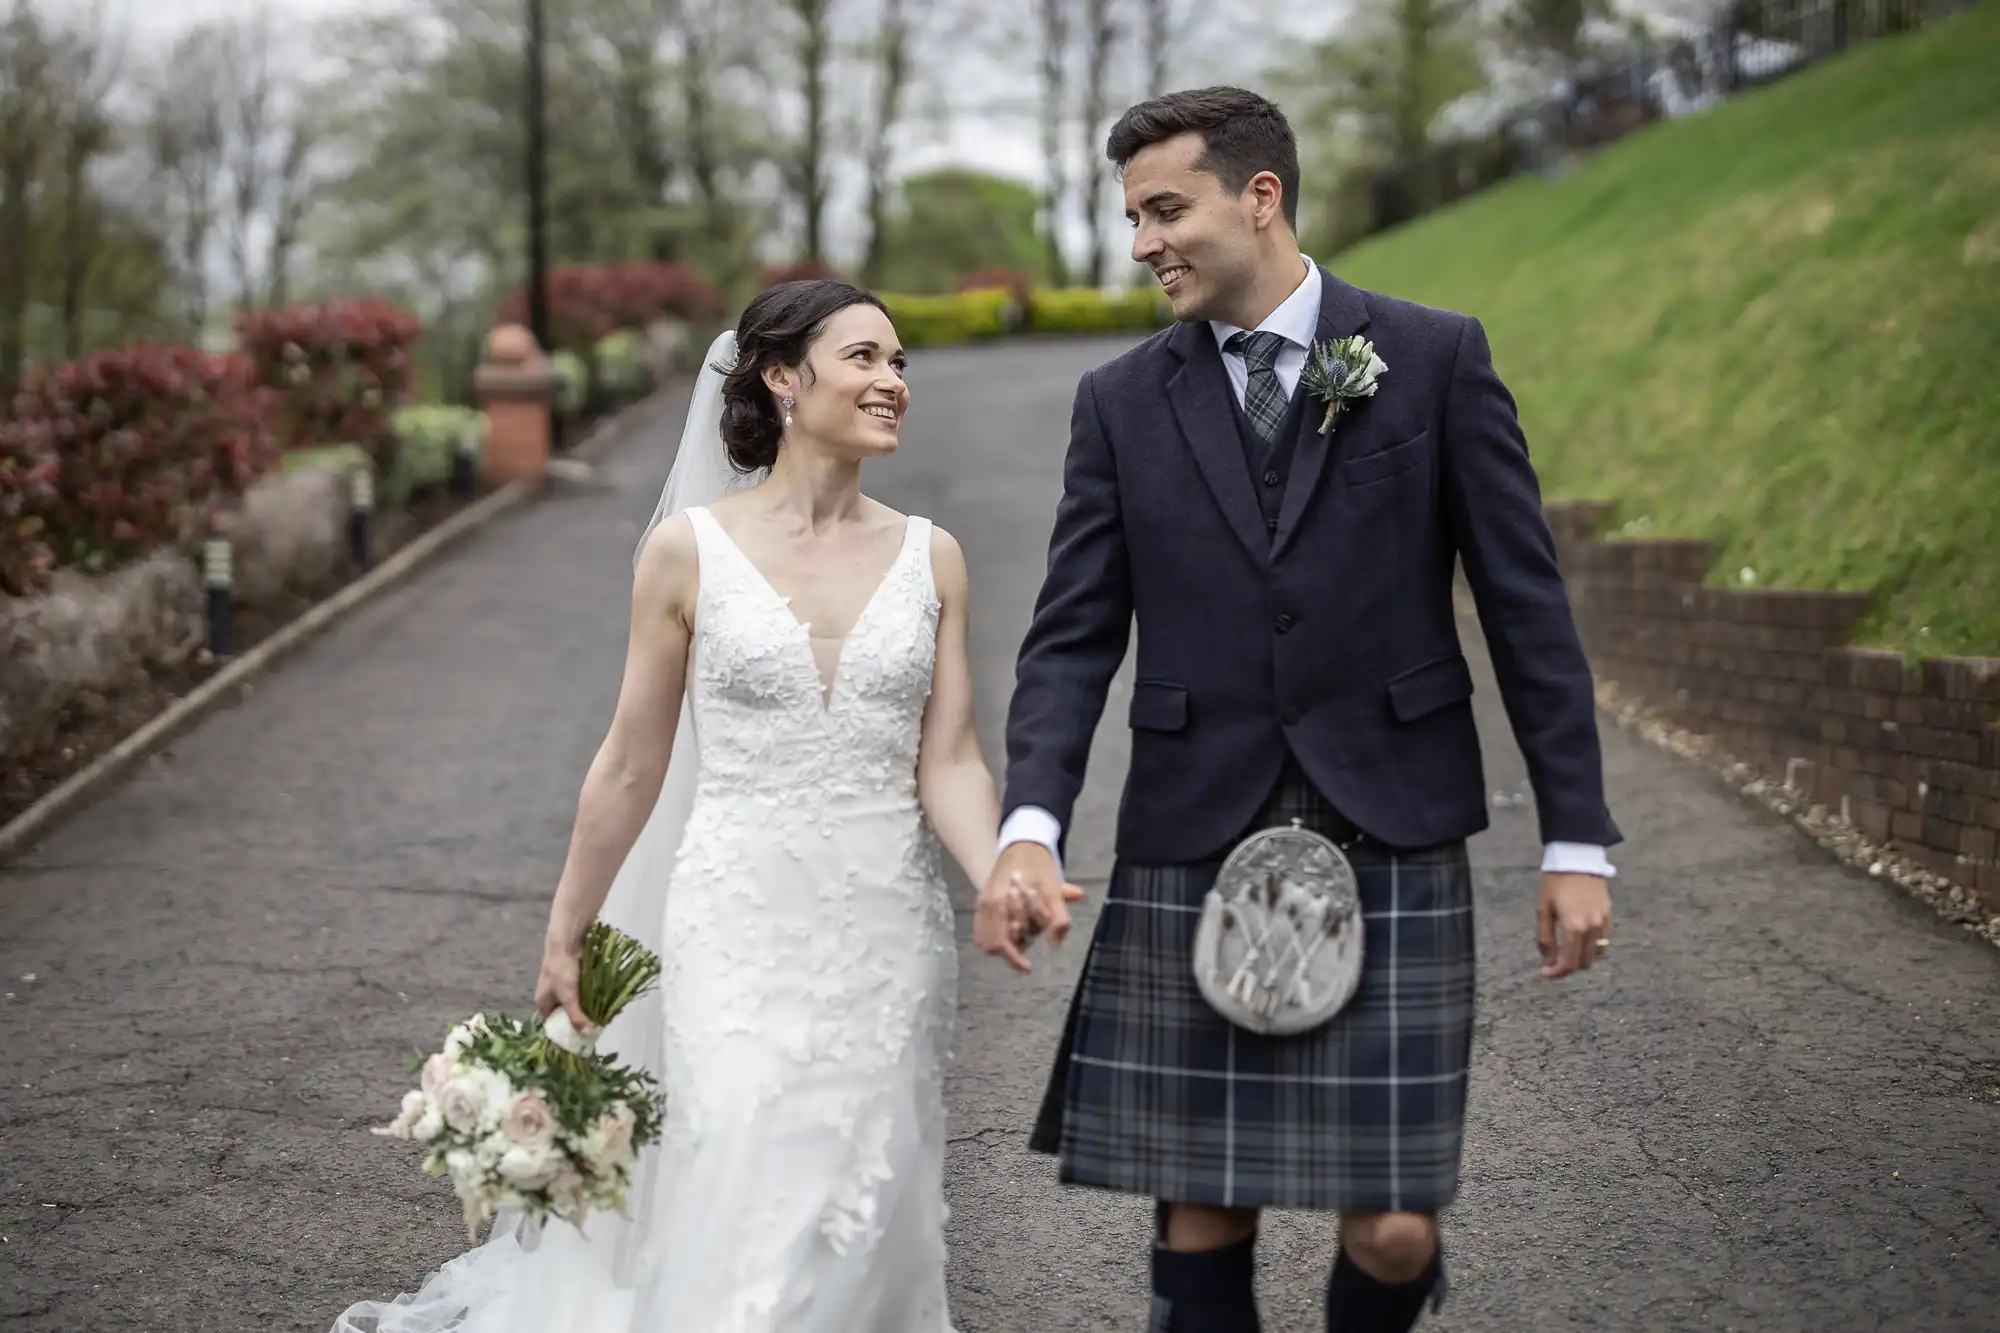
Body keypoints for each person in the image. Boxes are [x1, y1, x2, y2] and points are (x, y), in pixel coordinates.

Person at [978, 88, 1622, 1333]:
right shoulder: (1118, 401)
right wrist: (1031, 822)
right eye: (1131, 218)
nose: (1142, 242)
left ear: (1258, 197)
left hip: (1390, 822)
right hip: (1195, 823)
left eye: (1165, 209)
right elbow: (1069, 637)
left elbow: (1527, 613)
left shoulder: (1430, 358)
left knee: (1390, 1226)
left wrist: (1574, 840)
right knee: (1203, 1204)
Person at [333, 280, 1058, 1333]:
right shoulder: (689, 553)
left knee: (870, 1182)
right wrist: (565, 927)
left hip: (885, 931)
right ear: (779, 376)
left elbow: (945, 758)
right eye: (863, 357)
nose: (892, 382)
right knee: (754, 1170)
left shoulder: (929, 556)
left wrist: (1002, 865)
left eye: (899, 363)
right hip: (737, 920)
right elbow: (631, 759)